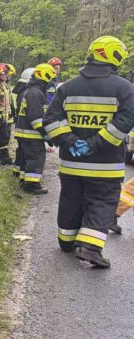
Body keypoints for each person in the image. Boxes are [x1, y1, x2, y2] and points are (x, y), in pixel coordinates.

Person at [44, 36, 134, 268]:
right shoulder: (124, 88)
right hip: (105, 166)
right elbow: (125, 121)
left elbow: (51, 119)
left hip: (71, 165)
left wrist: (70, 140)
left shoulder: (68, 87)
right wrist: (94, 143)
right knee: (102, 202)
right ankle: (90, 248)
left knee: (71, 200)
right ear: (114, 56)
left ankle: (66, 241)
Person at [15, 64, 56, 195]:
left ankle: (24, 180)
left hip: (24, 133)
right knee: (36, 158)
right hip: (31, 135)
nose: (51, 83)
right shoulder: (36, 93)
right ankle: (32, 185)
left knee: (25, 159)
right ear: (46, 77)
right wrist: (46, 134)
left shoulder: (31, 90)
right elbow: (36, 118)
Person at [12, 67, 36, 180]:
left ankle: (17, 170)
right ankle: (25, 176)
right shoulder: (27, 93)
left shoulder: (22, 92)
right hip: (25, 128)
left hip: (20, 126)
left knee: (21, 150)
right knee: (26, 153)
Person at [0, 64, 17, 166]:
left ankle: (4, 157)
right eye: (5, 74)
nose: (7, 76)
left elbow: (9, 102)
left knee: (4, 137)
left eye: (7, 74)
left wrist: (13, 113)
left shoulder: (5, 86)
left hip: (5, 117)